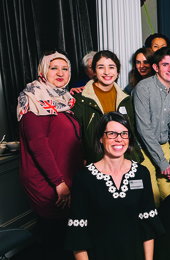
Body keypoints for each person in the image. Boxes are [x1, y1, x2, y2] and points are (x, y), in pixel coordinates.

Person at [65, 112, 164, 260]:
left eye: (124, 133)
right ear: (100, 138)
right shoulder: (83, 178)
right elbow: (78, 233)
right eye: (112, 133)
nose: (119, 139)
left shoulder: (141, 174)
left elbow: (148, 226)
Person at [17, 50, 84, 260]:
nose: (60, 73)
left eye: (65, 68)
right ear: (43, 70)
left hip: (66, 176)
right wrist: (59, 183)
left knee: (66, 236)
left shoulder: (64, 97)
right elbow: (38, 147)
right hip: (49, 181)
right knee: (54, 240)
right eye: (54, 68)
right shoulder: (34, 97)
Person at [72, 50, 144, 164]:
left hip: (125, 160)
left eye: (111, 67)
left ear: (117, 71)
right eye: (101, 67)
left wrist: (136, 157)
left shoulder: (126, 99)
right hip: (96, 161)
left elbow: (132, 132)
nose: (106, 72)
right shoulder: (81, 100)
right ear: (94, 71)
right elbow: (76, 138)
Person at [132, 47, 170, 206]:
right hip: (143, 148)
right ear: (155, 67)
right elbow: (143, 129)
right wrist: (162, 162)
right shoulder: (143, 88)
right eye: (165, 64)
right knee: (151, 198)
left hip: (165, 146)